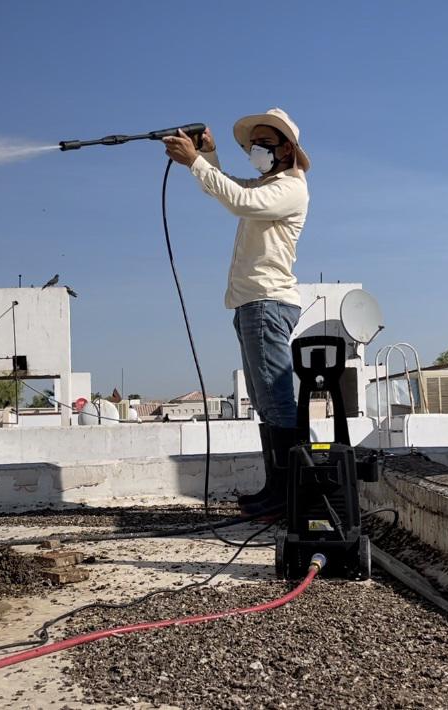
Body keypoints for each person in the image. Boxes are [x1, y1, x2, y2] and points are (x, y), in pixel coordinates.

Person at [163, 108, 310, 519]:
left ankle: (288, 495)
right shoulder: (270, 185)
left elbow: (239, 200)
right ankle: (276, 490)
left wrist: (194, 160)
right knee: (266, 403)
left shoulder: (289, 187)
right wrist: (207, 158)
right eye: (254, 144)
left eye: (264, 143)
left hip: (267, 301)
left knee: (278, 402)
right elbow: (226, 189)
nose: (256, 150)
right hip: (253, 302)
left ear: (286, 149)